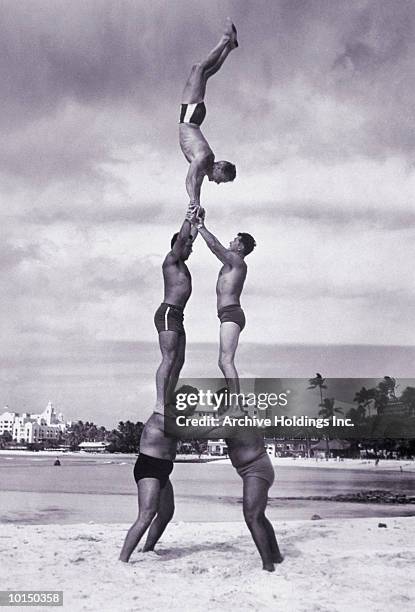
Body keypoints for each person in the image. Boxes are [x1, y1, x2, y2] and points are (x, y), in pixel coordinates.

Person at [119, 388, 234, 562]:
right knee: (147, 514)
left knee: (166, 513)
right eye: (191, 402)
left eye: (195, 403)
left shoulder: (179, 419)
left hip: (164, 468)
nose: (193, 407)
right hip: (149, 467)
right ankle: (123, 559)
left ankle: (147, 549)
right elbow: (193, 431)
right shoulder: (162, 417)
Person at [191, 206, 255, 394]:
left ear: (241, 247)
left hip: (232, 313)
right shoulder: (231, 262)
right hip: (227, 314)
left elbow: (215, 247)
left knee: (225, 361)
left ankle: (236, 405)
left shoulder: (237, 261)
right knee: (224, 361)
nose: (231, 241)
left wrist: (201, 226)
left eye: (235, 240)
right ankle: (235, 403)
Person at [179, 18, 238, 207]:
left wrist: (196, 201)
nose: (219, 183)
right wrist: (193, 201)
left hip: (193, 117)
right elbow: (190, 179)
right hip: (190, 116)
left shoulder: (205, 165)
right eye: (223, 178)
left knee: (204, 73)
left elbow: (196, 183)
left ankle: (229, 47)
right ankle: (225, 40)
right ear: (219, 167)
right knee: (199, 69)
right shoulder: (205, 159)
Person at [153, 204, 197, 412]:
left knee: (179, 361)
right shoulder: (171, 260)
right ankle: (160, 403)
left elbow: (188, 238)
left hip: (178, 316)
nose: (191, 249)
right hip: (168, 312)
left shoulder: (182, 263)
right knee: (169, 358)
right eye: (189, 247)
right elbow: (182, 239)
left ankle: (168, 400)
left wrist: (197, 221)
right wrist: (188, 218)